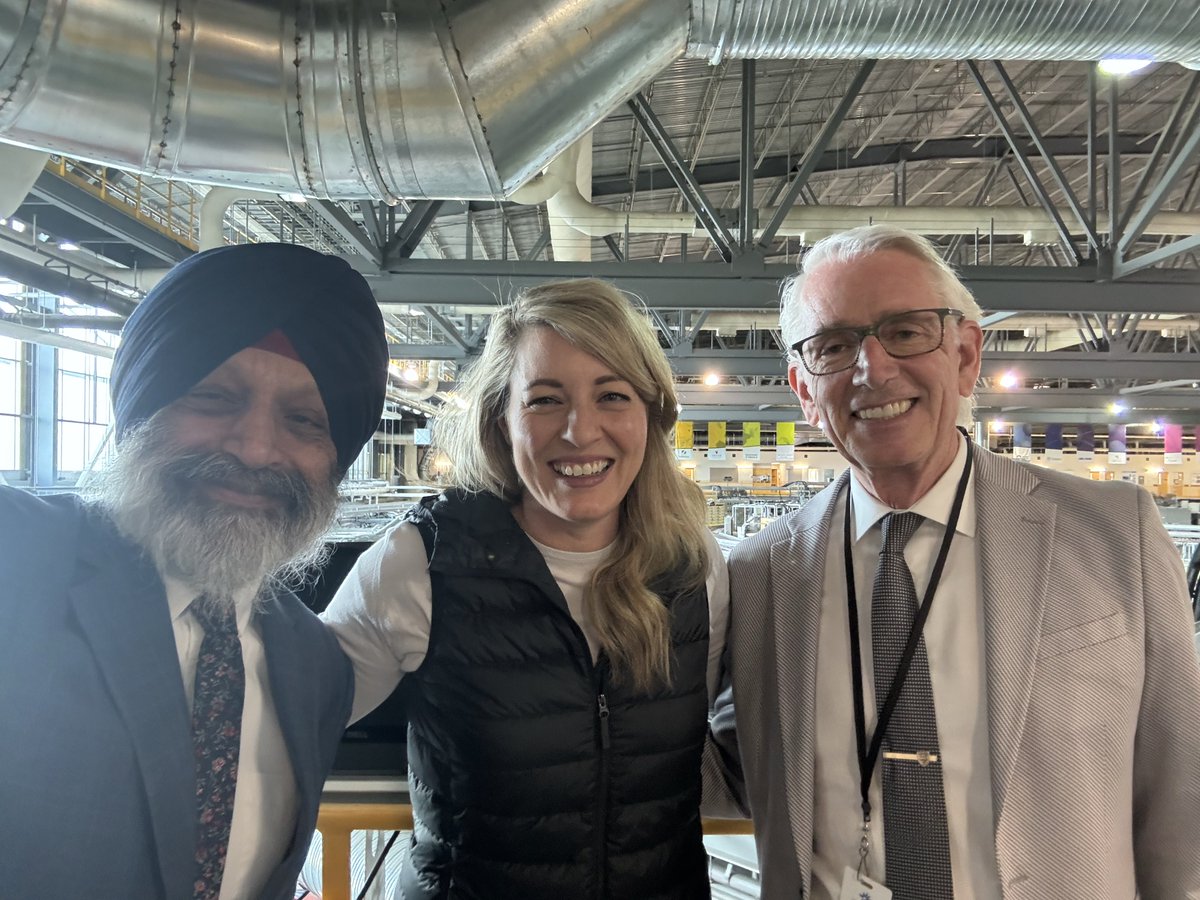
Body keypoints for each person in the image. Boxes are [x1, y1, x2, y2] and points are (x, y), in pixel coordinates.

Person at [704, 224, 1200, 900]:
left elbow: (1180, 801)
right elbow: (731, 764)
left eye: (905, 332)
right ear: (802, 388)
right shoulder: (761, 574)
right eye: (833, 346)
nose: (872, 370)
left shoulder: (1115, 537)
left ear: (967, 355)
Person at [0, 243, 389, 900]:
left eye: (303, 420)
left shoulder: (314, 664)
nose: (256, 447)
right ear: (138, 412)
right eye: (212, 396)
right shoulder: (25, 560)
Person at [323, 278, 729, 899]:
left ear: (650, 415)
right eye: (544, 400)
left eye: (612, 395)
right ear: (500, 422)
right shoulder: (421, 564)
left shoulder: (692, 568)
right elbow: (285, 724)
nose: (580, 431)